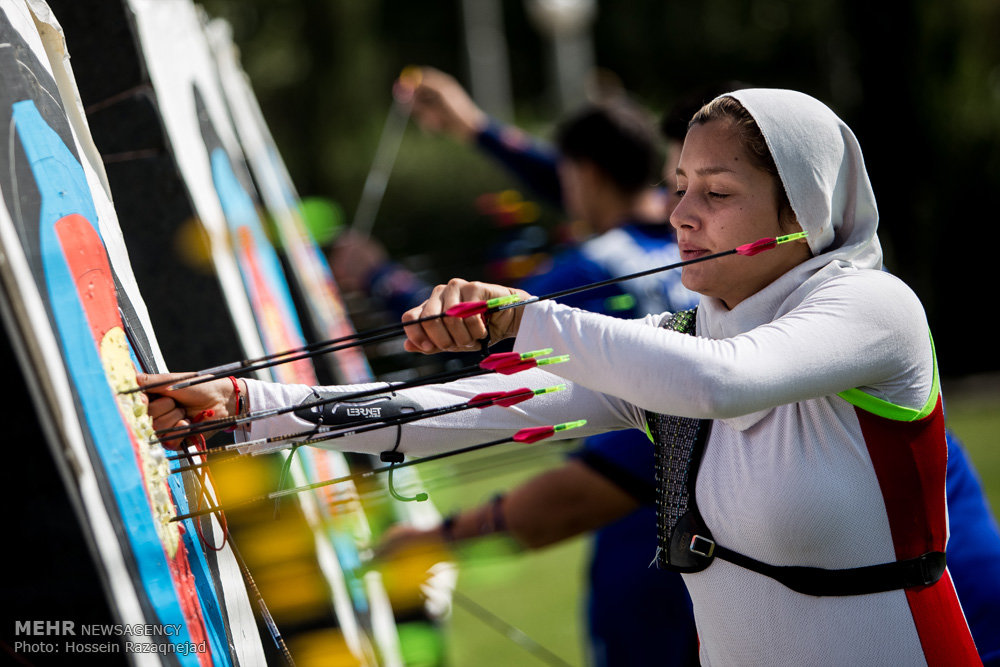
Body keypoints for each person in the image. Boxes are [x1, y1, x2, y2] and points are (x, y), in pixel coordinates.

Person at [145, 89, 982, 665]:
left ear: (802, 213)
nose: (682, 214)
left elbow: (724, 381)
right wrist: (253, 405)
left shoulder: (875, 308)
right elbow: (478, 406)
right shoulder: (684, 337)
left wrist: (523, 318)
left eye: (717, 193)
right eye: (679, 185)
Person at [332, 70, 701, 666]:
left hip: (644, 550)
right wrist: (474, 129)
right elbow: (590, 191)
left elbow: (482, 332)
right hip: (712, 539)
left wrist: (377, 276)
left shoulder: (593, 268)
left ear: (586, 174)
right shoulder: (688, 251)